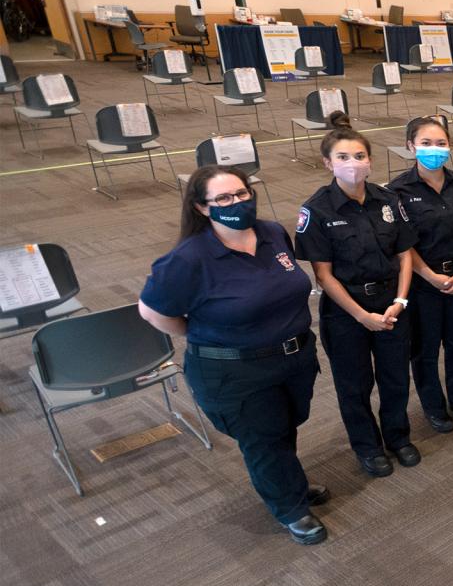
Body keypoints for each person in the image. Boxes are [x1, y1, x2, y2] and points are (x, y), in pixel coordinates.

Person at [138, 166, 329, 545]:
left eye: (242, 194)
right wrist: (200, 334)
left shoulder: (272, 232)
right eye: (223, 198)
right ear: (201, 207)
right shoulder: (188, 259)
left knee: (284, 426)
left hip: (292, 358)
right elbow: (152, 312)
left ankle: (288, 482)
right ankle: (290, 508)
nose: (237, 203)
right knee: (264, 439)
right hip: (235, 369)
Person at [295, 112, 420, 479]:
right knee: (355, 384)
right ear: (327, 163)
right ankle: (367, 446)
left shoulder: (388, 200)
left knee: (396, 378)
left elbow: (404, 255)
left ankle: (398, 437)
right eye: (343, 157)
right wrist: (362, 316)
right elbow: (323, 274)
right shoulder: (317, 210)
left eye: (360, 156)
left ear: (370, 160)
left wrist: (401, 301)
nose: (353, 163)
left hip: (392, 303)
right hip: (346, 312)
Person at [390, 115, 453, 434]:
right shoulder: (398, 191)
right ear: (410, 146)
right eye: (426, 143)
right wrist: (430, 276)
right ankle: (434, 406)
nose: (435, 149)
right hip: (422, 284)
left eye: (441, 143)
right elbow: (403, 245)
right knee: (425, 349)